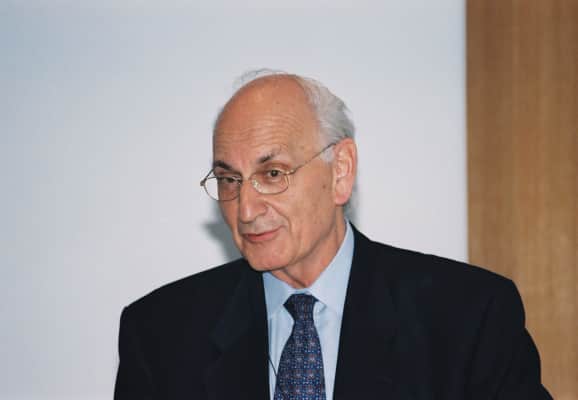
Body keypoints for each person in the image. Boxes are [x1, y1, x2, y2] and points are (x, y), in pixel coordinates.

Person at [114, 71, 552, 399]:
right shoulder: (159, 334)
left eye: (272, 174)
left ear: (340, 171)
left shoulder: (469, 318)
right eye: (230, 180)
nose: (245, 210)